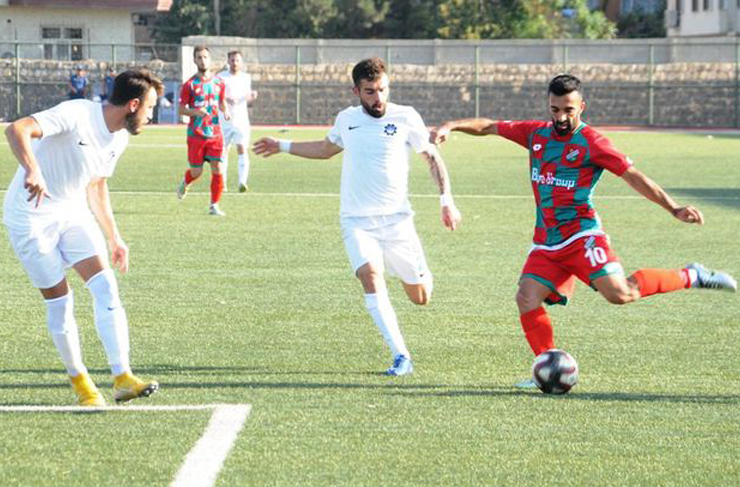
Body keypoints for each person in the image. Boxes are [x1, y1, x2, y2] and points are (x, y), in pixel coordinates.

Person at [430, 74, 737, 387]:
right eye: (555, 109)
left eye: (569, 110)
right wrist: (451, 126)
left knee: (620, 294)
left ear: (581, 107)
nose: (561, 117)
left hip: (582, 236)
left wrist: (673, 208)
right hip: (547, 242)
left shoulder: (592, 143)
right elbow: (490, 126)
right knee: (526, 297)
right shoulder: (536, 134)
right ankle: (547, 367)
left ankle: (692, 275)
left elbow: (633, 176)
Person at [254, 57, 462, 376]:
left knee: (421, 297)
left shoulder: (406, 116)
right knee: (370, 275)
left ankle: (404, 269)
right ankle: (401, 355)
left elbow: (432, 158)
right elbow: (326, 149)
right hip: (357, 222)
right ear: (356, 91)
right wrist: (281, 145)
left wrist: (446, 201)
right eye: (370, 92)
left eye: (383, 90)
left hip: (397, 222)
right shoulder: (346, 119)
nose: (378, 98)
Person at [3, 68, 164, 406]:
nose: (151, 115)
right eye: (150, 108)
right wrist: (33, 169)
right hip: (30, 217)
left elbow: (97, 185)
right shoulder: (76, 113)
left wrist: (114, 237)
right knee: (61, 302)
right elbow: (17, 129)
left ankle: (123, 377)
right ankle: (80, 382)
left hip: (72, 212)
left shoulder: (118, 139)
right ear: (133, 105)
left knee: (106, 286)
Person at [176, 46, 230, 216]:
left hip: (215, 134)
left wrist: (226, 111)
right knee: (196, 172)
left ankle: (214, 205)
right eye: (199, 57)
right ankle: (186, 182)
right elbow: (181, 109)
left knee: (218, 169)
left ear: (210, 59)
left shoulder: (219, 83)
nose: (203, 60)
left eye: (205, 57)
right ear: (195, 60)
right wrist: (195, 112)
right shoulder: (189, 85)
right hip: (196, 134)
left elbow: (221, 101)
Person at [217, 51, 258, 192]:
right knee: (223, 151)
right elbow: (215, 94)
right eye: (232, 60)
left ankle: (242, 182)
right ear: (228, 61)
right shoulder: (221, 77)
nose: (235, 63)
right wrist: (225, 99)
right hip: (224, 120)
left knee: (242, 148)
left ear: (241, 62)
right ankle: (222, 183)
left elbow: (247, 96)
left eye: (237, 60)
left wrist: (252, 96)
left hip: (241, 121)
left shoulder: (246, 77)